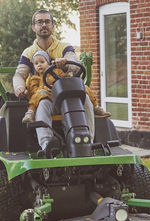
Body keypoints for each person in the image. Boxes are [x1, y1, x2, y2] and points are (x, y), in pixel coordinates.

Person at [13, 9, 99, 150]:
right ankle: (47, 144)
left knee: (86, 100)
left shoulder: (64, 47)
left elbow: (75, 64)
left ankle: (86, 142)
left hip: (67, 95)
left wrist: (66, 64)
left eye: (47, 21)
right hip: (46, 96)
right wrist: (19, 87)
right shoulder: (28, 53)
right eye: (40, 22)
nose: (44, 25)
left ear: (53, 26)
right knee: (42, 103)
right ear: (34, 27)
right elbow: (19, 75)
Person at [21, 50, 111, 123]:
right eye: (36, 63)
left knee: (83, 87)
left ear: (48, 63)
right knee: (38, 94)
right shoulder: (34, 79)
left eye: (42, 62)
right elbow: (33, 91)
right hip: (47, 97)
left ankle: (96, 107)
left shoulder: (57, 71)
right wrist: (45, 88)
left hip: (62, 95)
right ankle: (30, 112)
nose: (39, 65)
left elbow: (66, 78)